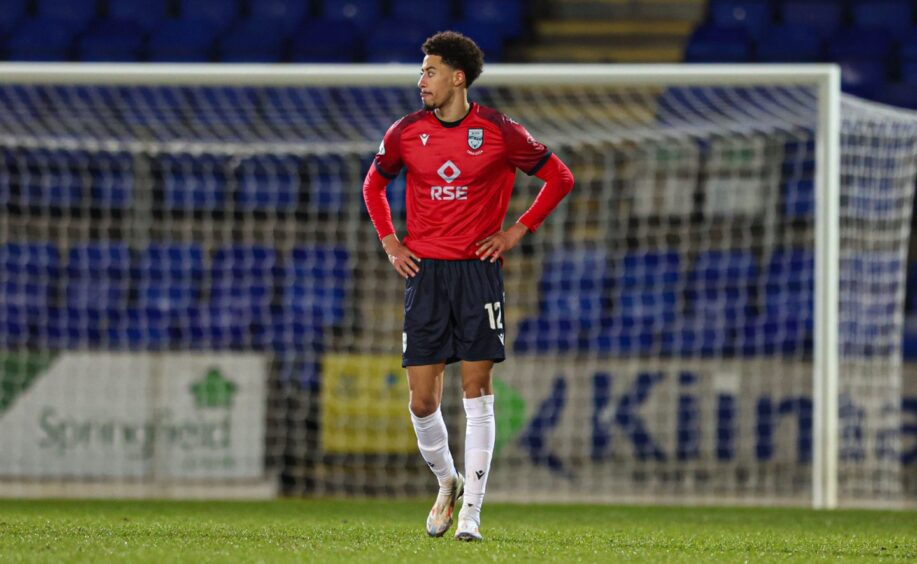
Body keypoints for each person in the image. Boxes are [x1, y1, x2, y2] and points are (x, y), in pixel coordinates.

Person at [362, 31, 574, 541]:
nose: (421, 82)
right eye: (421, 72)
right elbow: (373, 184)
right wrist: (391, 242)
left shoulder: (500, 131)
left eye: (429, 71)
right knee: (421, 401)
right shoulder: (406, 133)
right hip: (426, 274)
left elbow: (560, 177)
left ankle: (474, 513)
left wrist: (518, 229)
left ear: (458, 77)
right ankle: (447, 482)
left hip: (477, 272)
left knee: (477, 392)